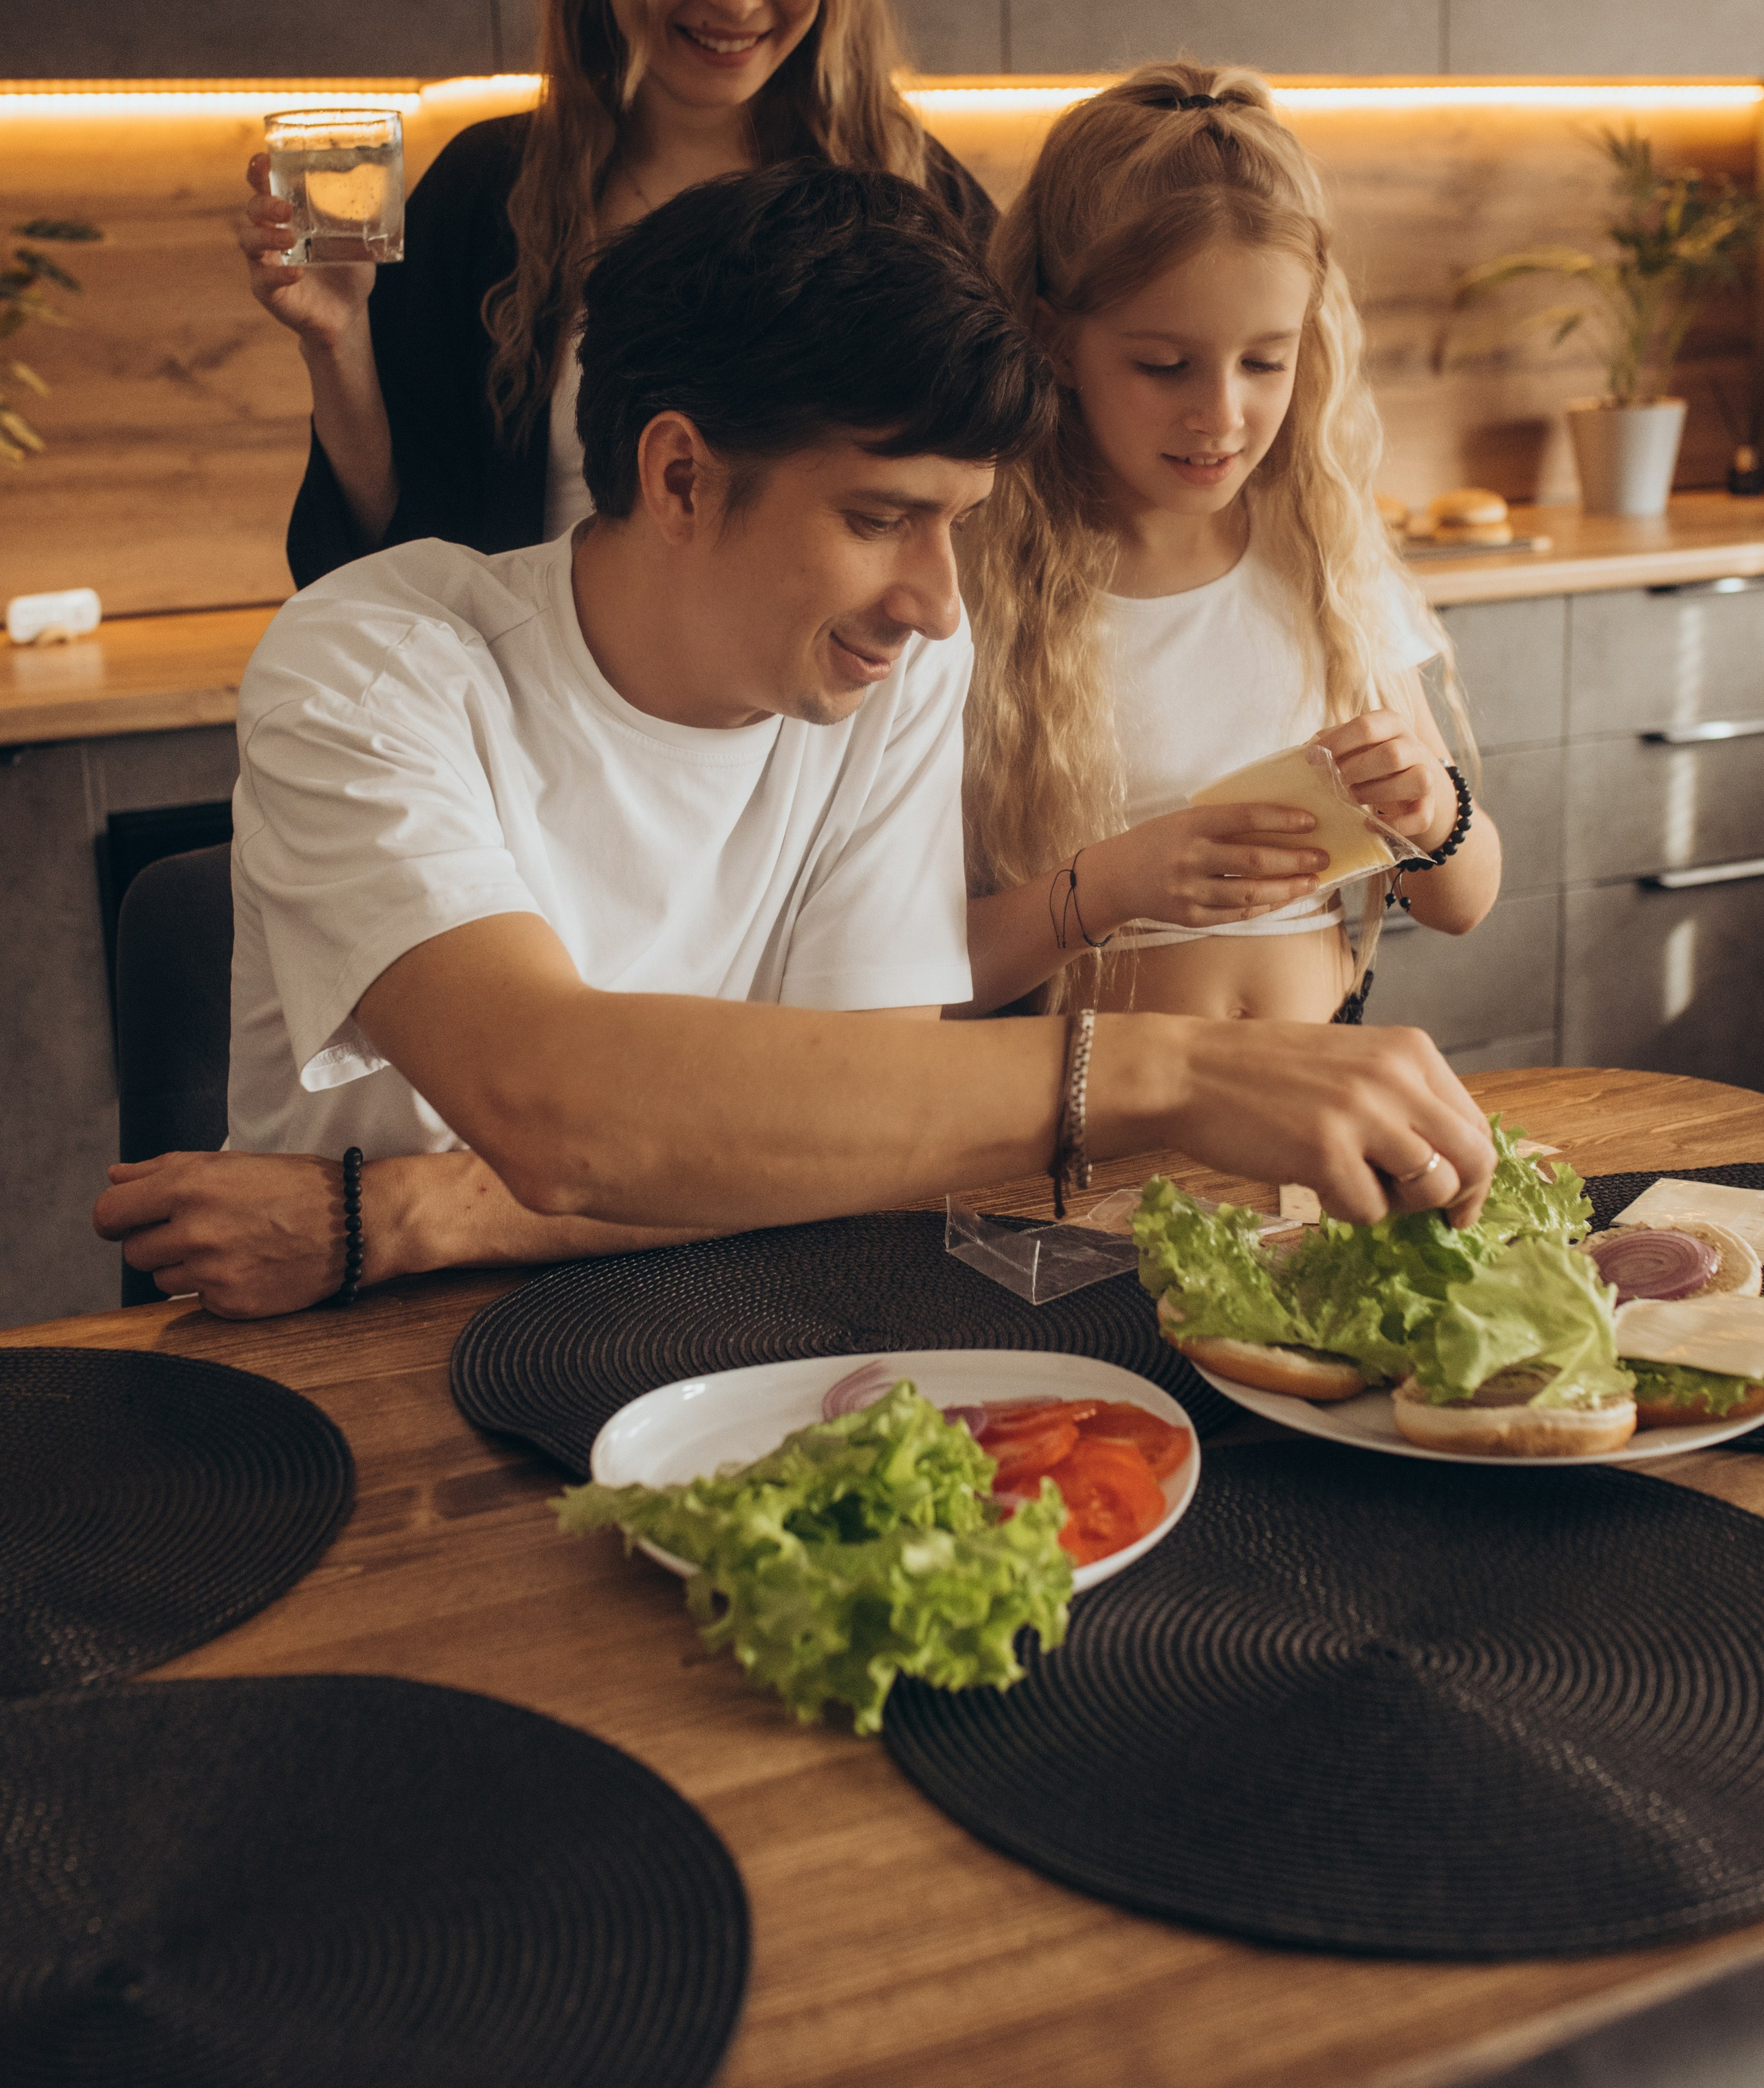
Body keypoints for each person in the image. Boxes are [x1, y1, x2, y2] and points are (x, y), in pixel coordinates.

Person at [98, 162, 1496, 1320]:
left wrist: (401, 1212)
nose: (939, 602)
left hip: (680, 1304)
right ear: (680, 474)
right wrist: (1183, 1076)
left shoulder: (892, 672)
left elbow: (859, 1140)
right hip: (371, 1355)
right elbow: (556, 1101)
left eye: (955, 523)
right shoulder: (371, 660)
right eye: (881, 518)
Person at [241, 0, 996, 588]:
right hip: (535, 722)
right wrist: (338, 340)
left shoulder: (921, 203)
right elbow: (384, 567)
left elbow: (1004, 526)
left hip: (837, 727)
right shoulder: (487, 195)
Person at [959, 59, 1501, 1021]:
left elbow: (1461, 902)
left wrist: (1434, 811)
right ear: (1053, 340)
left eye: (1266, 361)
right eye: (1165, 365)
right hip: (1094, 1140)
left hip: (1320, 1092)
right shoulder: (978, 587)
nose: (1222, 413)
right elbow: (919, 981)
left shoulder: (1323, 551)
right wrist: (1110, 886)